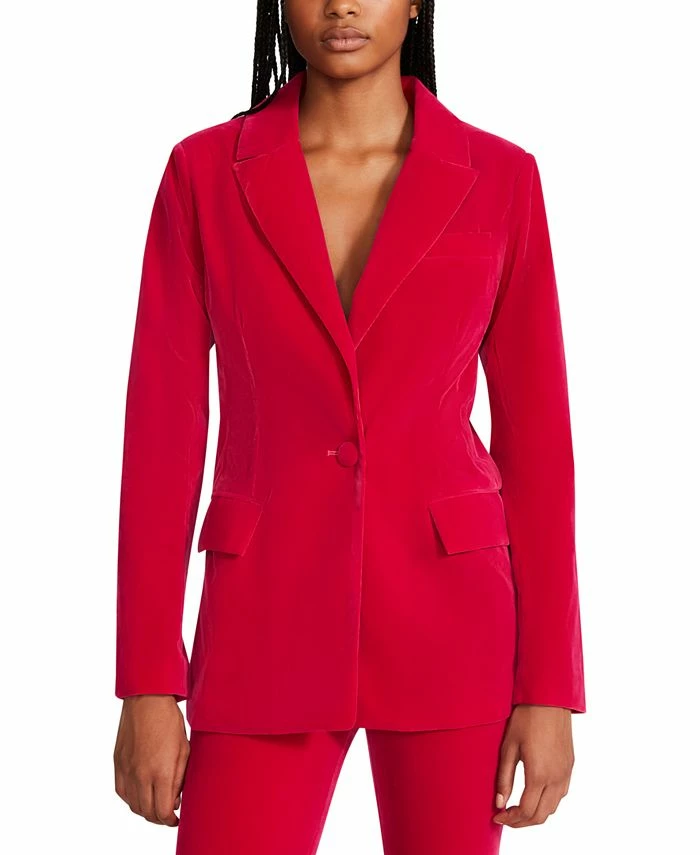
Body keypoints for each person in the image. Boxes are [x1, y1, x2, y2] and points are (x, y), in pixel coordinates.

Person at [113, 1, 587, 853]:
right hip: (263, 616)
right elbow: (161, 437)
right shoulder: (203, 173)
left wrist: (548, 687)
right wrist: (149, 680)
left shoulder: (502, 176)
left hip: (454, 622)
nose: (342, 4)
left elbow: (540, 446)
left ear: (416, 2)